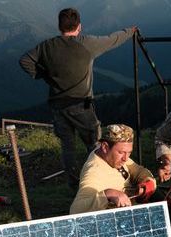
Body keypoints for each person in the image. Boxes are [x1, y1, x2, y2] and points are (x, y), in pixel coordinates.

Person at [19, 8, 138, 189]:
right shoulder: (87, 43)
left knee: (68, 147)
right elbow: (112, 39)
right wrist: (130, 31)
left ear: (59, 26)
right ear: (79, 26)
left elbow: (25, 60)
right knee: (95, 144)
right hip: (81, 105)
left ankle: (74, 184)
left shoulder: (46, 46)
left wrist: (43, 75)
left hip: (58, 105)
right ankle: (99, 182)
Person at [70, 124, 156, 214]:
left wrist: (147, 182)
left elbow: (137, 170)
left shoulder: (111, 155)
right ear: (105, 147)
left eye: (129, 152)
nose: (125, 158)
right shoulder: (93, 172)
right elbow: (76, 210)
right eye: (121, 152)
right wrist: (107, 194)